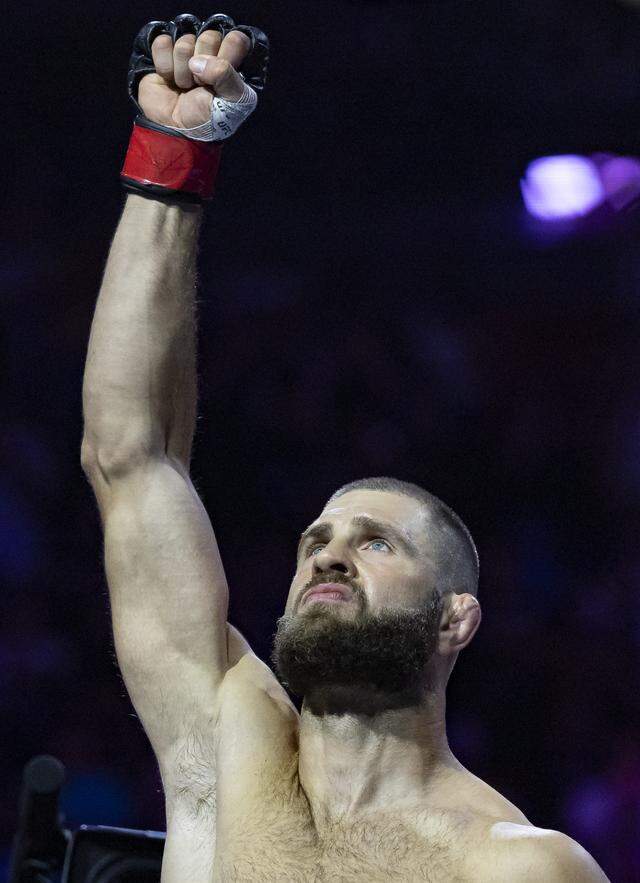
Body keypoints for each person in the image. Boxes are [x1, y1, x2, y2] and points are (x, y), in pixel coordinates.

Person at [80, 11, 610, 882]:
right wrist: (170, 156)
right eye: (316, 541)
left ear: (456, 616)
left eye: (376, 542)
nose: (328, 556)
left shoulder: (515, 867)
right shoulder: (223, 745)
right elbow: (130, 455)